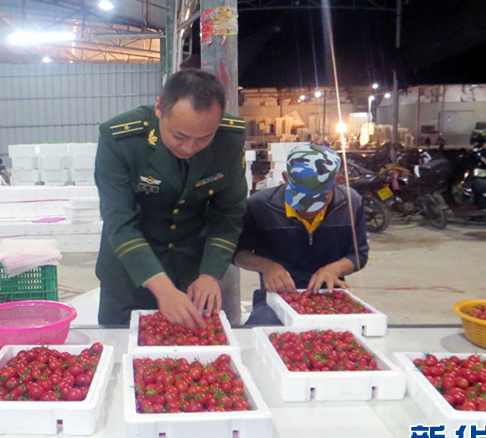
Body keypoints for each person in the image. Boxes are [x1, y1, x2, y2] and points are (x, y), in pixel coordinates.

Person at [94, 68, 247, 329]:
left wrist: (210, 273)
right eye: (179, 136)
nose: (189, 147)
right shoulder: (121, 139)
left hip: (191, 274)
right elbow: (119, 222)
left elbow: (228, 214)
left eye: (204, 138)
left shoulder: (229, 139)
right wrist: (162, 288)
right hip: (129, 274)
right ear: (159, 109)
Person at [234, 143, 369, 325]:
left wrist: (334, 269)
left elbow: (359, 254)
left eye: (318, 199)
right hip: (276, 299)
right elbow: (237, 254)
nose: (308, 210)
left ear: (337, 182)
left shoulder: (351, 204)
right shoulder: (260, 206)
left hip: (328, 296)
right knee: (259, 328)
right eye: (300, 197)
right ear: (285, 179)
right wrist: (267, 266)